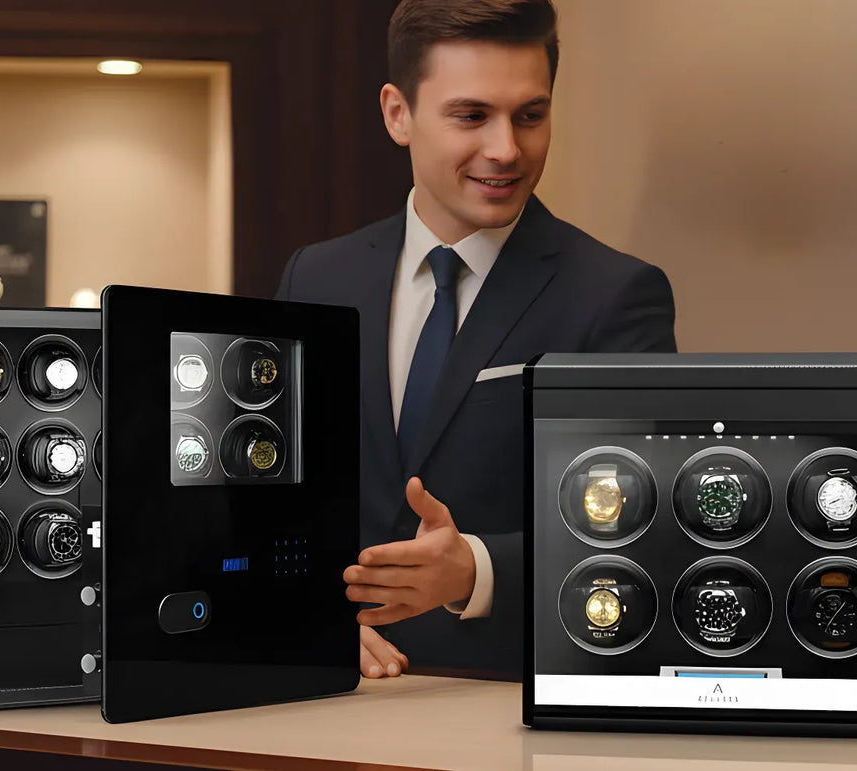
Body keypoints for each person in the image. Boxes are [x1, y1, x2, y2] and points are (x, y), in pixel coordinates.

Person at [275, 0, 676, 681]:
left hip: (512, 702)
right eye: (472, 116)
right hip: (330, 693)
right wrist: (308, 609)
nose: (507, 150)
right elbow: (271, 499)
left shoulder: (615, 296)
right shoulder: (316, 275)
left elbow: (648, 530)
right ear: (397, 113)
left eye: (530, 115)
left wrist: (477, 569)